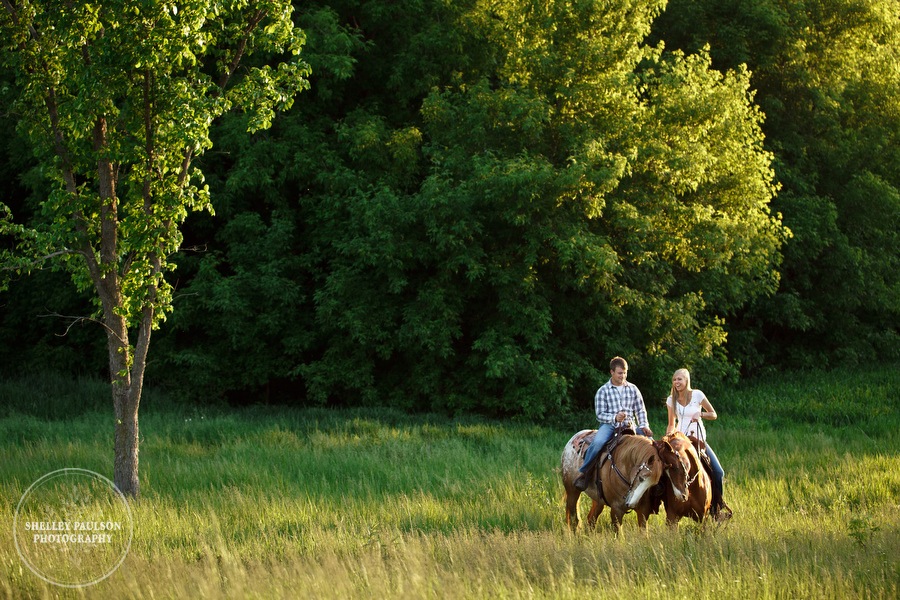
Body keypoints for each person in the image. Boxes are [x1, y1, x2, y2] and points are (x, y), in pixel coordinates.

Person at [574, 356, 653, 491]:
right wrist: (615, 418)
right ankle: (584, 472)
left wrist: (644, 425)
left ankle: (654, 478)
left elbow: (640, 409)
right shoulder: (603, 391)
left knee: (652, 444)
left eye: (625, 372)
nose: (623, 376)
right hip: (609, 425)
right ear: (612, 372)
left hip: (630, 425)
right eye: (620, 373)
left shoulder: (633, 389)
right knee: (598, 442)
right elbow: (600, 414)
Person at [665, 367, 732, 520]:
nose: (676, 382)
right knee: (664, 468)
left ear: (686, 380)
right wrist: (669, 435)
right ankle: (661, 504)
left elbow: (713, 414)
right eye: (675, 380)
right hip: (680, 441)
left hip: (698, 441)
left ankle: (716, 509)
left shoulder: (697, 395)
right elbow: (671, 423)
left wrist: (700, 413)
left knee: (718, 472)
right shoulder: (671, 399)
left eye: (679, 379)